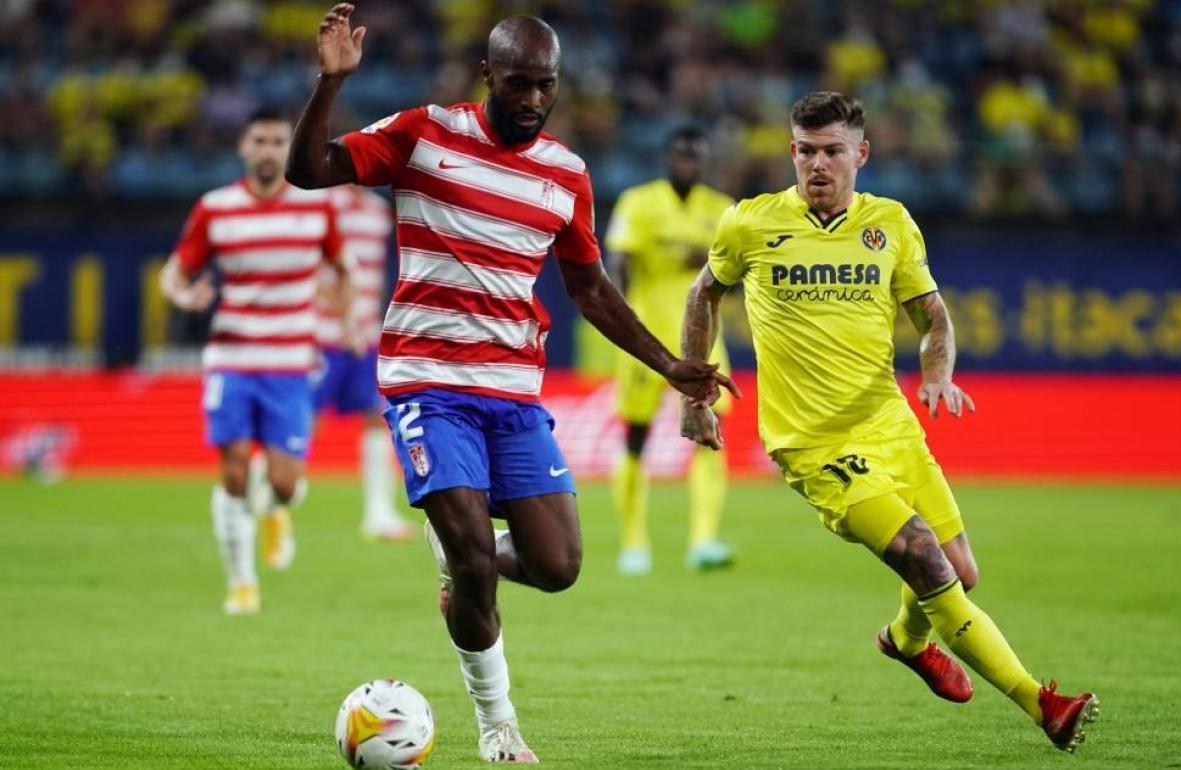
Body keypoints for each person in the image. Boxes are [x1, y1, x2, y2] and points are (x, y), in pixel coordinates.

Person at [286, 4, 735, 763]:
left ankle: (469, 553)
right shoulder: (425, 134)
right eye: (519, 82)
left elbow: (591, 290)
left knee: (558, 568)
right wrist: (329, 85)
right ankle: (499, 726)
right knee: (468, 560)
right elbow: (310, 170)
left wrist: (668, 365)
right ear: (487, 75)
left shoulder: (566, 176)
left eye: (546, 85)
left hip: (512, 394)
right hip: (426, 383)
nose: (532, 98)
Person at [680, 91, 1100, 754]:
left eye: (832, 152)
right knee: (923, 556)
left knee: (962, 575)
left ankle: (905, 641)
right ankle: (1042, 703)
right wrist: (695, 396)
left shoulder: (891, 225)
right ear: (791, 151)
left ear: (861, 154)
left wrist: (937, 374)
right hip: (813, 444)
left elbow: (933, 317)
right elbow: (703, 292)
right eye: (806, 150)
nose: (817, 164)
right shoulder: (750, 225)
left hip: (890, 424)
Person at [161, 108, 355, 615]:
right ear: (243, 148)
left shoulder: (316, 208)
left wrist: (347, 312)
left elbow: (343, 268)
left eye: (276, 141)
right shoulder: (216, 208)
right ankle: (241, 584)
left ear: (286, 148)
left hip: (291, 361)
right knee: (232, 472)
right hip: (231, 355)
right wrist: (183, 298)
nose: (268, 150)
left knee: (286, 485)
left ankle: (276, 511)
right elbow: (173, 274)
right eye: (259, 141)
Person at [605, 126, 735, 575]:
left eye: (694, 157)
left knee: (710, 437)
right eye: (680, 156)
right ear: (667, 158)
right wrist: (621, 322)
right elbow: (618, 262)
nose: (686, 164)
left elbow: (737, 272)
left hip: (704, 341)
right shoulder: (638, 204)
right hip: (649, 341)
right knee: (636, 436)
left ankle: (704, 540)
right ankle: (633, 542)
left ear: (704, 162)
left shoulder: (721, 211)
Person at [313, 184, 414, 542]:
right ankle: (263, 502)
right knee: (302, 422)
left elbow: (376, 271)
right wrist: (343, 318)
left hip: (366, 336)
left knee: (375, 418)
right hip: (324, 335)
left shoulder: (378, 210)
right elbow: (312, 270)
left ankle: (378, 514)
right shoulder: (324, 205)